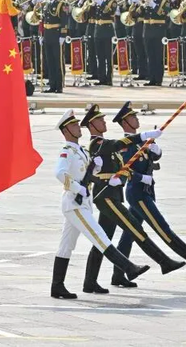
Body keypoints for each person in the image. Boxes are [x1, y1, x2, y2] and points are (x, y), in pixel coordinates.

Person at [81, 104, 186, 294]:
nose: (104, 122)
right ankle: (163, 262)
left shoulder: (106, 145)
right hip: (105, 196)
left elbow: (122, 169)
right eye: (100, 120)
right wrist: (143, 136)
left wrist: (120, 178)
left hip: (112, 194)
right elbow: (117, 145)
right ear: (91, 125)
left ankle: (90, 281)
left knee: (104, 240)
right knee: (134, 228)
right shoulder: (96, 144)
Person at [110, 102, 186, 288]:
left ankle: (117, 275)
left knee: (129, 234)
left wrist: (156, 150)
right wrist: (142, 178)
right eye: (133, 117)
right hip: (137, 193)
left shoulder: (141, 141)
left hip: (146, 192)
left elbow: (152, 157)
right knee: (162, 228)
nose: (137, 119)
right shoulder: (126, 145)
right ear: (125, 123)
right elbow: (124, 169)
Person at [51, 109, 150, 299]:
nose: (77, 127)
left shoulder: (81, 150)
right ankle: (129, 268)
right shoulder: (67, 152)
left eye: (76, 124)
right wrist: (77, 188)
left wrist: (95, 171)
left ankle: (57, 286)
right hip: (74, 203)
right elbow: (59, 173)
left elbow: (87, 175)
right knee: (99, 236)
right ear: (65, 131)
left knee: (66, 246)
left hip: (82, 202)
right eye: (73, 125)